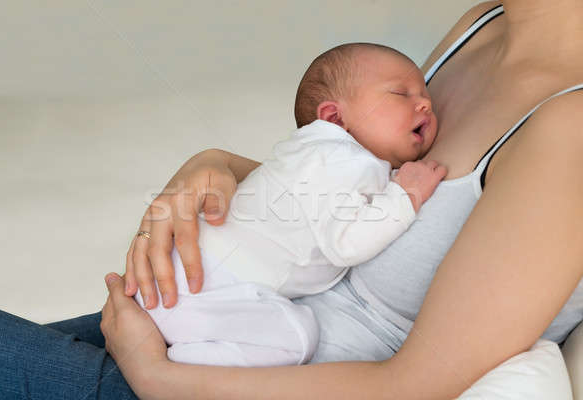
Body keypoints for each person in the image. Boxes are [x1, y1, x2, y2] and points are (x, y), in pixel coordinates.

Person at [0, 1, 583, 399]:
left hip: (251, 379)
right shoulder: (486, 24)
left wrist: (160, 378)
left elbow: (415, 384)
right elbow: (363, 182)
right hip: (231, 320)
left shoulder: (570, 124)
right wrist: (218, 164)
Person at [137, 42, 446, 367]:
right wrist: (404, 196)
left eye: (425, 95)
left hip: (172, 280)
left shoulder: (307, 152)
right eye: (401, 94)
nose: (424, 103)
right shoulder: (349, 162)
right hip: (204, 293)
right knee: (299, 335)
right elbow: (346, 246)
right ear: (335, 117)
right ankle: (187, 363)